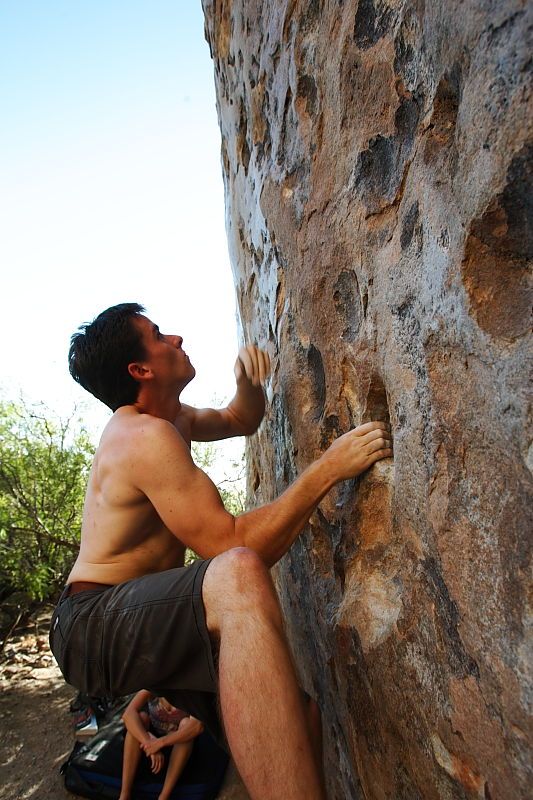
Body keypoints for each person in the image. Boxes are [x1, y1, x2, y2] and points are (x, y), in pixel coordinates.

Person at [49, 302, 392, 800]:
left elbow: (239, 418)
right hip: (91, 623)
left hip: (141, 623)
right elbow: (230, 544)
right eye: (159, 334)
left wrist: (248, 384)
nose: (177, 339)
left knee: (299, 714)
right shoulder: (140, 436)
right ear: (140, 370)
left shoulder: (175, 419)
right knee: (235, 572)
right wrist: (328, 468)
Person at [118, 691, 203, 800]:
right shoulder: (153, 685)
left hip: (178, 750)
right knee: (141, 718)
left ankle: (164, 796)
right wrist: (148, 741)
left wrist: (160, 743)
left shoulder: (191, 689)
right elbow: (128, 714)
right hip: (153, 747)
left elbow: (197, 727)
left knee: (186, 724)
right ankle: (125, 794)